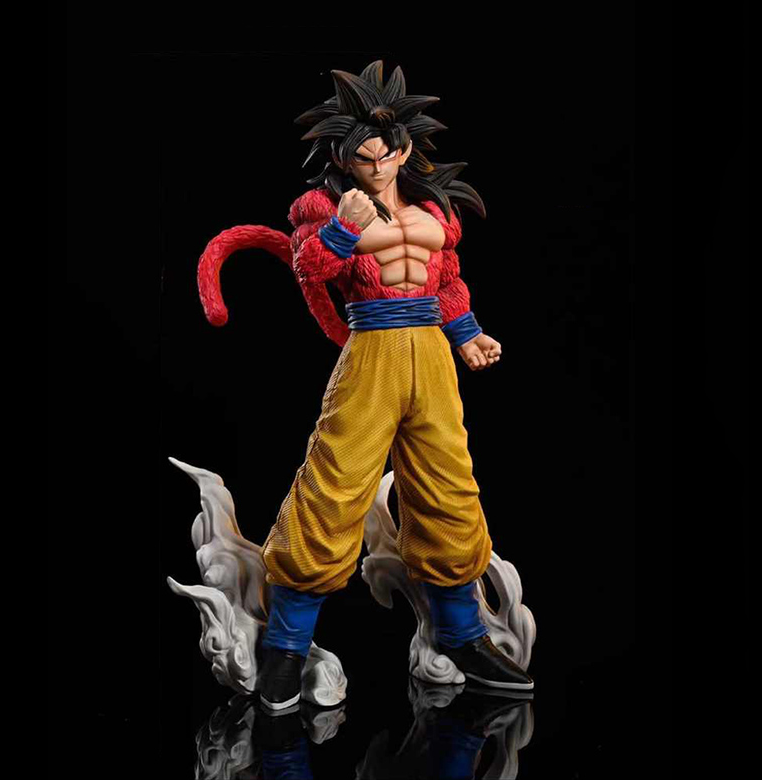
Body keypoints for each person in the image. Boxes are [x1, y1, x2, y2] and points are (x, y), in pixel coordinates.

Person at [198, 60, 534, 711]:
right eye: (363, 158)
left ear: (404, 151)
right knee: (333, 486)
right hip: (372, 351)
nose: (377, 168)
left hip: (431, 352)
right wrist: (344, 226)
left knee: (448, 487)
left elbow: (447, 277)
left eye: (386, 155)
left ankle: (463, 634)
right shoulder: (327, 206)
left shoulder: (433, 207)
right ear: (343, 159)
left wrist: (467, 333)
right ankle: (287, 646)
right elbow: (310, 265)